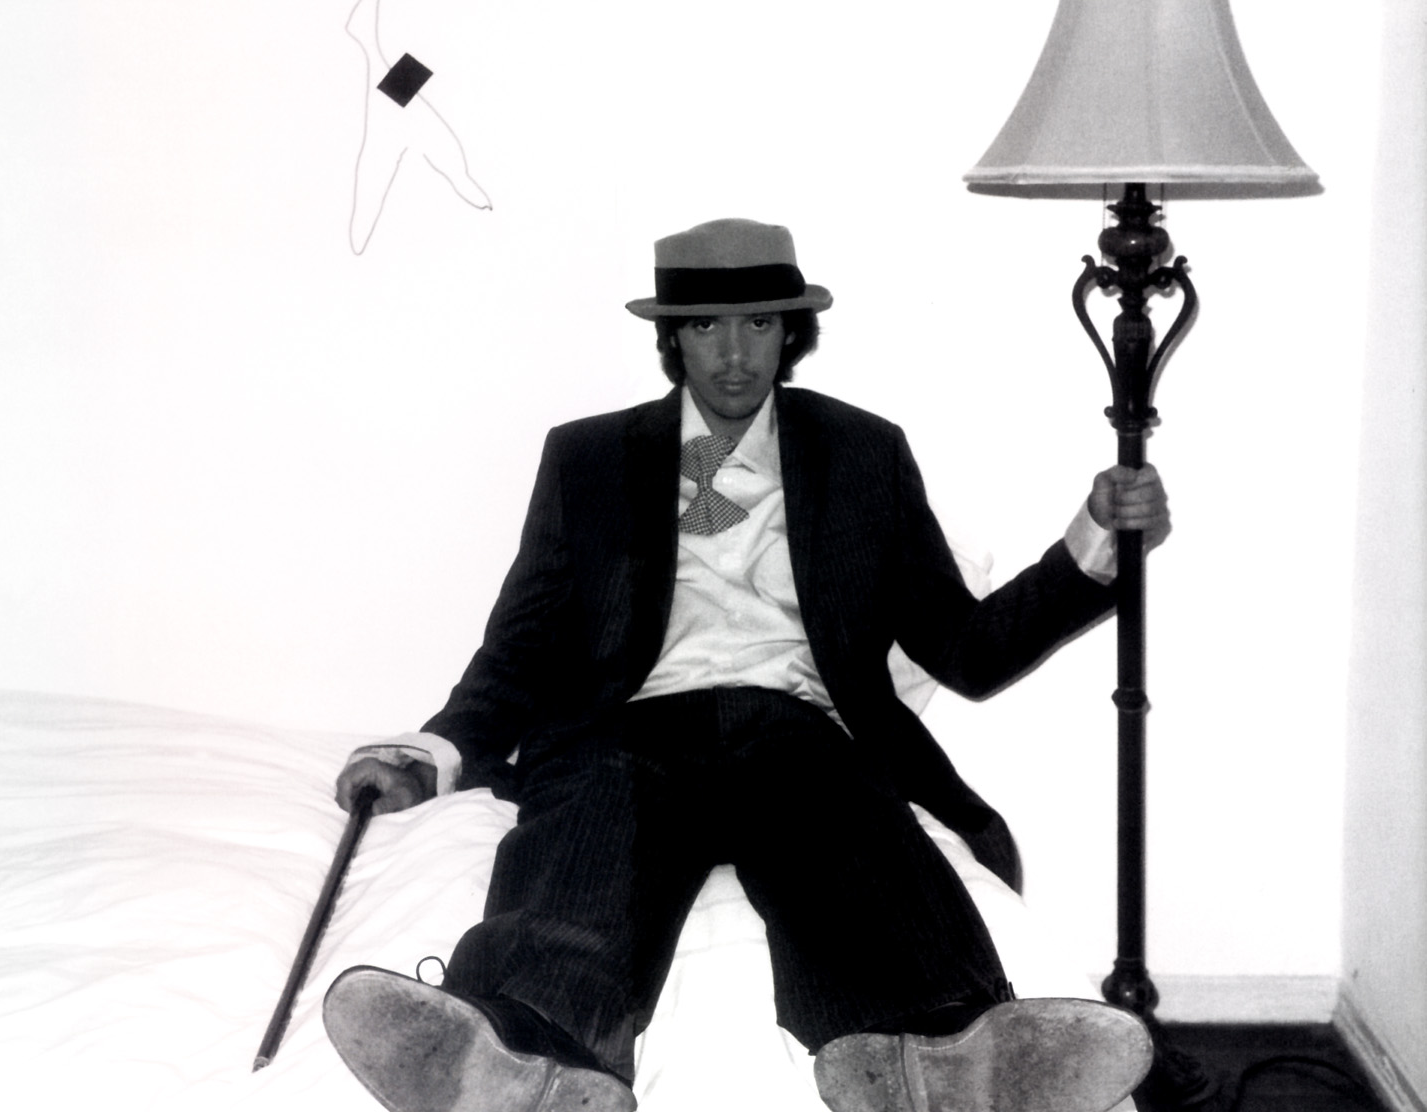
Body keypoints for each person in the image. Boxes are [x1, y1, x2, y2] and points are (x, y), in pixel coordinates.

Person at [322, 218, 1169, 1112]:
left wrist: (1094, 541)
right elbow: (521, 643)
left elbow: (964, 649)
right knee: (582, 847)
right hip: (626, 730)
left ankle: (940, 1058)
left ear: (789, 332)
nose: (734, 355)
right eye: (706, 327)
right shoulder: (588, 458)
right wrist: (430, 752)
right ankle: (522, 1055)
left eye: (758, 324)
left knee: (855, 837)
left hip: (793, 729)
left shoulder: (863, 451)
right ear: (672, 338)